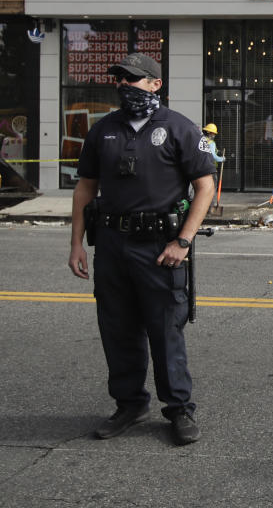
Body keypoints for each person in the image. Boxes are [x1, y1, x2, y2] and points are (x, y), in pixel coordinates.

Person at [67, 53, 215, 446]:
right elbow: (86, 187)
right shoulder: (103, 130)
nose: (124, 85)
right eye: (120, 78)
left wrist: (183, 241)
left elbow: (205, 186)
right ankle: (130, 404)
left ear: (155, 84)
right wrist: (76, 243)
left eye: (132, 79)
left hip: (159, 246)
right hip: (112, 245)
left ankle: (178, 409)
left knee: (165, 330)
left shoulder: (180, 128)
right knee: (117, 328)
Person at [202, 123, 225, 187]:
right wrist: (222, 159)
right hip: (210, 168)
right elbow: (213, 156)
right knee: (212, 187)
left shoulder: (201, 141)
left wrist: (218, 151)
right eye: (214, 133)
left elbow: (207, 151)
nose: (214, 135)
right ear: (210, 133)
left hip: (201, 167)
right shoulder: (211, 143)